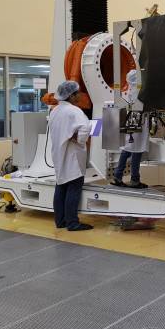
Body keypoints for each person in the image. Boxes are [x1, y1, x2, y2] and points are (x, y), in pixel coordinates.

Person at [49, 81, 93, 231]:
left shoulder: (54, 110)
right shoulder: (75, 111)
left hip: (59, 154)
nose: (79, 95)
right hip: (72, 155)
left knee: (61, 186)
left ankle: (60, 221)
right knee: (74, 188)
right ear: (71, 95)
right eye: (77, 93)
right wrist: (77, 138)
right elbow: (84, 131)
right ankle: (73, 223)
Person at [111, 69, 149, 189]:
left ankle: (121, 177)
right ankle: (132, 179)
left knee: (129, 149)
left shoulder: (132, 89)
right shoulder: (138, 90)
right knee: (134, 149)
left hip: (133, 117)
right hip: (137, 118)